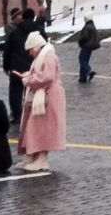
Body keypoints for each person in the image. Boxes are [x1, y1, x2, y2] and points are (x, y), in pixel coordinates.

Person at [11, 31, 66, 173]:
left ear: (35, 48)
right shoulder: (44, 56)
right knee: (35, 126)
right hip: (43, 96)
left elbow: (47, 77)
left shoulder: (49, 57)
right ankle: (34, 156)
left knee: (43, 127)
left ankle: (41, 158)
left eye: (30, 50)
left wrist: (28, 79)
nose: (29, 53)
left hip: (48, 97)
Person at [1, 10, 34, 125]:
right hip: (32, 65)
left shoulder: (15, 33)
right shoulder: (37, 30)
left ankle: (17, 115)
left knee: (15, 92)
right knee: (31, 90)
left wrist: (6, 66)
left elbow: (7, 51)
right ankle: (32, 113)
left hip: (16, 67)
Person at [76, 19, 101, 84]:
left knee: (82, 60)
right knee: (85, 61)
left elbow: (84, 37)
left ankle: (89, 71)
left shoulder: (87, 27)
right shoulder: (93, 26)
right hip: (91, 46)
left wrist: (80, 43)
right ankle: (82, 78)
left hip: (86, 46)